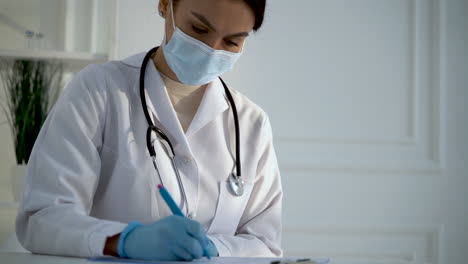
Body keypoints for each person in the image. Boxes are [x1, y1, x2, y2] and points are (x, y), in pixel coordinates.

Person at [16, 0, 282, 261]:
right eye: (199, 29)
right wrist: (124, 240)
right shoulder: (99, 90)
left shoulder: (252, 124)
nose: (211, 50)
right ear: (165, 5)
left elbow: (264, 243)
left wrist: (214, 248)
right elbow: (42, 218)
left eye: (231, 42)